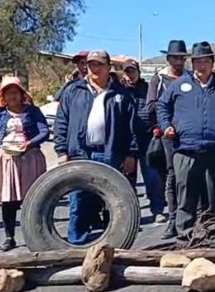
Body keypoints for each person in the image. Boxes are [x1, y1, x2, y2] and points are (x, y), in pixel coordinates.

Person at [54, 50, 139, 244]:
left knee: (110, 201)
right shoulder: (73, 91)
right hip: (80, 153)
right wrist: (61, 151)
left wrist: (131, 154)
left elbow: (131, 127)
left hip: (109, 153)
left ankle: (110, 244)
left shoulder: (121, 94)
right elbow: (61, 122)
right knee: (78, 200)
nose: (95, 68)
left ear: (109, 67)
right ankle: (76, 243)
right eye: (91, 64)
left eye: (99, 64)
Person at [158, 42, 215, 237]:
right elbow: (162, 106)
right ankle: (184, 237)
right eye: (197, 62)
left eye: (205, 61)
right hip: (186, 150)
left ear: (212, 63)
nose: (201, 65)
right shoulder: (179, 84)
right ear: (192, 63)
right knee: (186, 197)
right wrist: (166, 126)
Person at [0, 77, 49, 251]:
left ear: (21, 94)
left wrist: (29, 144)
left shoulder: (33, 111)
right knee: (8, 200)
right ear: (3, 96)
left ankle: (37, 236)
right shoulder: (0, 113)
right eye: (8, 93)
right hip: (6, 160)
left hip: (29, 158)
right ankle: (10, 237)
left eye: (15, 93)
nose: (12, 97)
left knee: (32, 198)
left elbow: (44, 131)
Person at [146, 40, 189, 237]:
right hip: (169, 134)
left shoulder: (191, 78)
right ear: (168, 58)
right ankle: (173, 219)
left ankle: (190, 218)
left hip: (189, 134)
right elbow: (151, 105)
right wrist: (169, 118)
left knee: (190, 176)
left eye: (181, 57)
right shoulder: (159, 79)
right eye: (175, 57)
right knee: (172, 175)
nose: (178, 61)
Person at [122, 59, 165, 218]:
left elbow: (156, 109)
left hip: (147, 139)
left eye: (133, 71)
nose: (130, 75)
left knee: (152, 177)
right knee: (127, 181)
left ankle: (158, 210)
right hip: (126, 142)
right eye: (127, 72)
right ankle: (131, 216)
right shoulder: (120, 91)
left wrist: (157, 127)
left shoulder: (148, 89)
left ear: (138, 72)